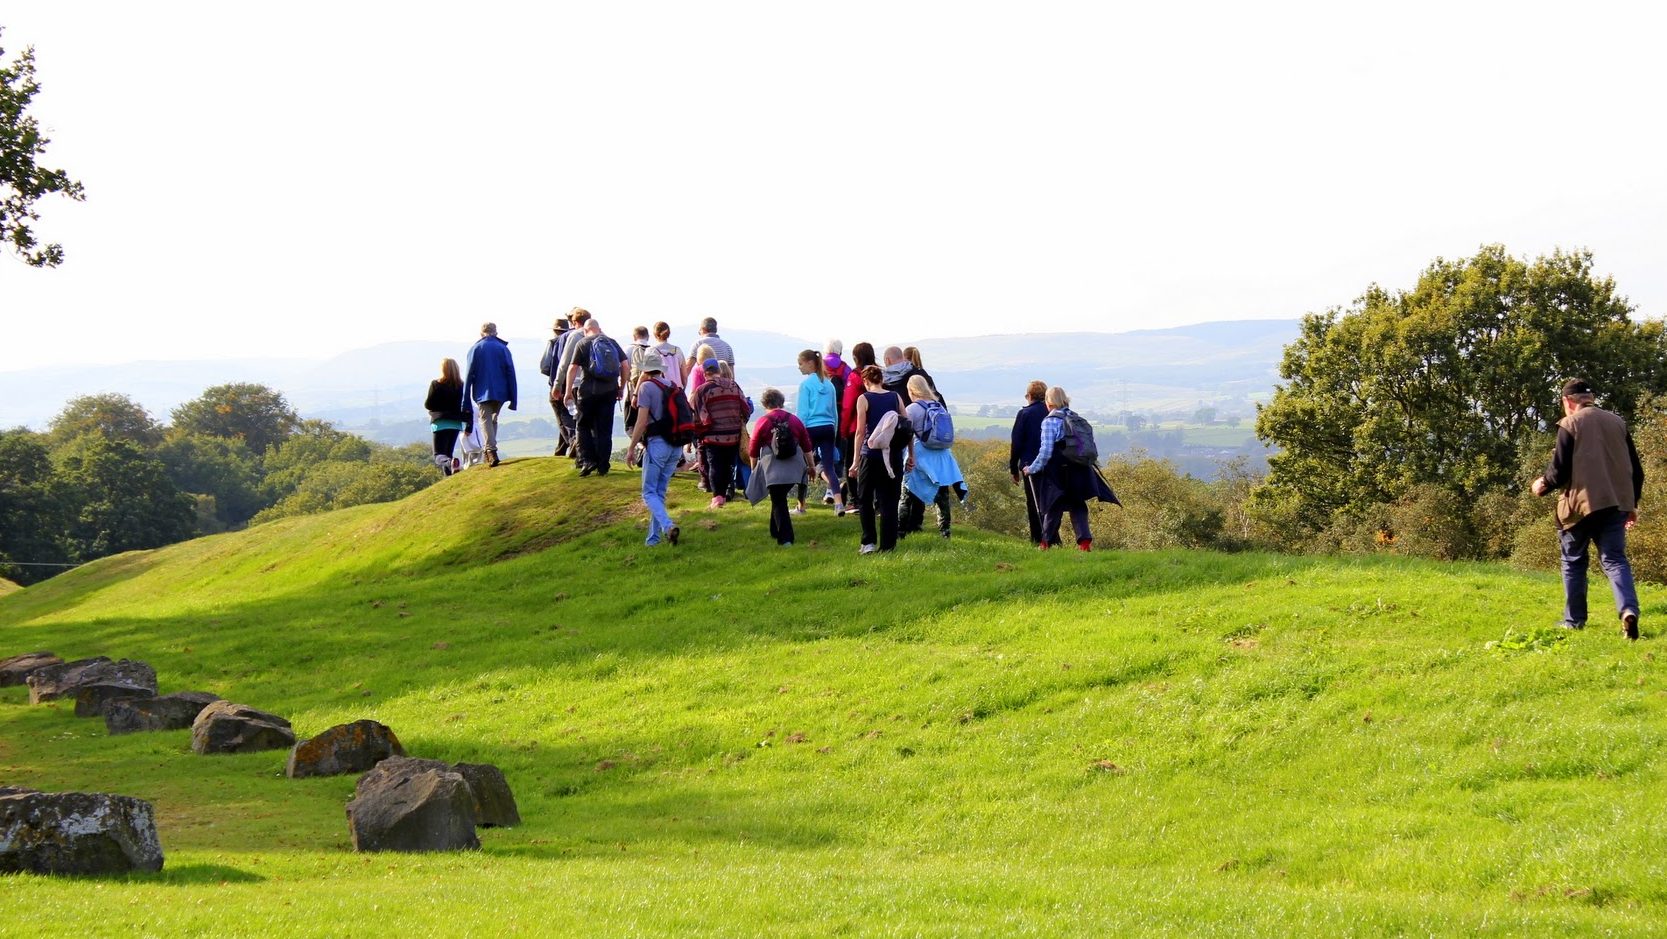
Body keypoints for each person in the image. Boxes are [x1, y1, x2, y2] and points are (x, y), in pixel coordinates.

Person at [1531, 378, 1645, 639]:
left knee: (1573, 561)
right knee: (1615, 560)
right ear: (1590, 398)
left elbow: (1559, 471)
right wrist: (1632, 504)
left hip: (1579, 508)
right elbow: (1637, 472)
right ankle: (1628, 611)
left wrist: (1542, 485)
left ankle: (1574, 621)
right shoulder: (1618, 423)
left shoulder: (1570, 424)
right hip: (1616, 504)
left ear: (1567, 401)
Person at [1022, 386, 1119, 550]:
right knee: (1077, 504)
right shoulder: (1075, 418)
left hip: (1058, 471)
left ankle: (1045, 543)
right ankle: (1085, 543)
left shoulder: (1050, 421)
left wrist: (1031, 468)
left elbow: (1045, 452)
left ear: (1049, 401)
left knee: (1054, 505)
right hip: (1080, 469)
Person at [848, 364, 912, 554]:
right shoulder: (895, 397)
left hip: (871, 455)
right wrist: (911, 455)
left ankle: (868, 542)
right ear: (882, 379)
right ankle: (888, 546)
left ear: (865, 381)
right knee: (889, 501)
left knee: (865, 499)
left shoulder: (864, 399)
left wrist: (855, 461)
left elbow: (860, 432)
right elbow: (907, 427)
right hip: (892, 456)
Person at [623, 350, 684, 548]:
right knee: (659, 493)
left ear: (645, 371)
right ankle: (653, 540)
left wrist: (632, 447)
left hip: (657, 444)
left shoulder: (647, 387)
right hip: (676, 446)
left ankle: (667, 527)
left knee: (648, 493)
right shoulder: (672, 385)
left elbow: (641, 422)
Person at [746, 388, 815, 547]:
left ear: (764, 404)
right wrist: (811, 466)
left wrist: (754, 470)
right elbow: (806, 445)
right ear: (782, 402)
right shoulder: (794, 420)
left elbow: (753, 449)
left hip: (772, 468)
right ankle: (774, 531)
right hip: (795, 468)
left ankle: (786, 539)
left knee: (778, 501)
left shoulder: (763, 421)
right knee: (779, 498)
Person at [901, 375, 964, 538]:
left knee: (906, 494)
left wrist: (909, 456)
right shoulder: (939, 406)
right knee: (942, 497)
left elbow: (905, 434)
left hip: (920, 454)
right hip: (942, 457)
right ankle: (945, 532)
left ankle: (900, 532)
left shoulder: (912, 409)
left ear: (911, 390)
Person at [563, 319, 628, 476]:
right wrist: (621, 387)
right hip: (609, 392)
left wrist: (567, 391)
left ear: (585, 330)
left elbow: (572, 368)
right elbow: (625, 365)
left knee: (583, 426)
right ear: (599, 329)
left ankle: (588, 461)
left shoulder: (583, 343)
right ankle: (603, 465)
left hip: (588, 392)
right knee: (605, 429)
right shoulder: (611, 342)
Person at [691, 358, 751, 507]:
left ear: (705, 373)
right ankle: (724, 495)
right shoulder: (734, 386)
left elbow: (699, 416)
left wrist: (701, 433)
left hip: (713, 437)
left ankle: (718, 498)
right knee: (729, 465)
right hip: (733, 435)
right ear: (718, 370)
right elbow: (745, 409)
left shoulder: (703, 390)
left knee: (716, 466)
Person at [796, 349, 845, 516]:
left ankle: (801, 506)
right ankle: (838, 504)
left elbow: (802, 412)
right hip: (829, 427)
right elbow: (834, 412)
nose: (799, 367)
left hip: (810, 427)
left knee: (804, 466)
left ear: (810, 363)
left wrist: (799, 434)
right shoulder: (829, 384)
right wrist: (835, 430)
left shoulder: (805, 385)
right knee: (829, 467)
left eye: (800, 364)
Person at [463, 321, 517, 467]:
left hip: (482, 391)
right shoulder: (503, 349)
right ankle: (490, 450)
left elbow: (468, 375)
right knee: (493, 419)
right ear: (496, 333)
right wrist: (513, 397)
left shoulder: (475, 348)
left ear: (481, 333)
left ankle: (490, 451)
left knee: (485, 419)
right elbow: (510, 373)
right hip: (501, 392)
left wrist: (465, 398)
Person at [1009, 380, 1049, 545]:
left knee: (1034, 503)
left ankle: (1038, 539)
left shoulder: (1025, 414)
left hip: (1029, 465)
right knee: (1049, 502)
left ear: (1030, 396)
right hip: (1051, 464)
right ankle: (1052, 537)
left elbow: (1016, 443)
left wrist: (1013, 469)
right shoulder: (1050, 411)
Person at [551, 308, 593, 462]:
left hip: (577, 383)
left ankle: (582, 456)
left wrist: (557, 384)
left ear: (574, 322)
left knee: (578, 419)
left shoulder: (574, 336)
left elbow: (565, 363)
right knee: (592, 421)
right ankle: (596, 457)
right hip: (597, 384)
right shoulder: (599, 335)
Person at [839, 342, 879, 502]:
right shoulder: (880, 374)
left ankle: (855, 498)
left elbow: (848, 405)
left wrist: (843, 428)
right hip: (879, 427)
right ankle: (876, 499)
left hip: (857, 427)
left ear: (855, 358)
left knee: (852, 463)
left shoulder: (855, 377)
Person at [424, 358, 471, 476]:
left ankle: (450, 463)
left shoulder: (436, 384)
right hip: (455, 423)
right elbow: (466, 405)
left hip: (440, 423)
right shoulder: (461, 386)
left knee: (439, 456)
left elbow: (428, 404)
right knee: (448, 453)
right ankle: (450, 477)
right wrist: (469, 425)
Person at [539, 317, 576, 456]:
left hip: (559, 384)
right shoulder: (576, 339)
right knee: (572, 416)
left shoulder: (553, 342)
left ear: (555, 330)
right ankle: (561, 449)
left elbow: (545, 366)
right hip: (576, 384)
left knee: (563, 417)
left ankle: (574, 442)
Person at [623, 325, 654, 437]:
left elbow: (623, 368)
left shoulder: (628, 349)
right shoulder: (653, 349)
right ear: (648, 336)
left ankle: (638, 445)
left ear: (634, 336)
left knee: (630, 425)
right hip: (652, 390)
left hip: (632, 390)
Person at [651, 322, 685, 388]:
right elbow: (684, 376)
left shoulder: (652, 350)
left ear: (655, 335)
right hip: (676, 390)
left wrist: (635, 394)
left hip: (660, 389)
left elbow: (645, 375)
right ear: (668, 334)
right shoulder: (677, 350)